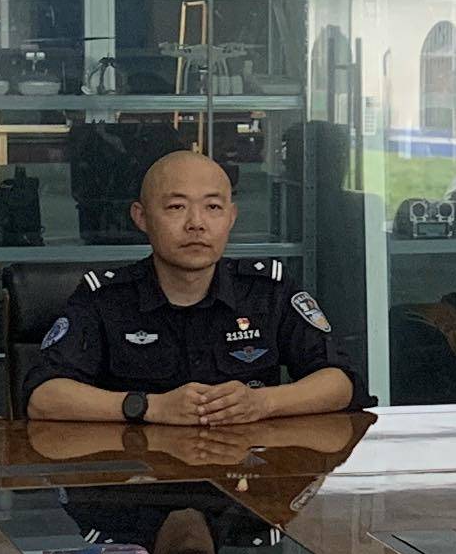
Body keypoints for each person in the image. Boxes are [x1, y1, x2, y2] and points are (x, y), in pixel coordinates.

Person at [27, 148, 356, 426]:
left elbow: (340, 381)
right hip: (140, 474)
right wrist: (150, 407)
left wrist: (263, 402)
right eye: (176, 207)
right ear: (141, 218)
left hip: (244, 473)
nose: (196, 223)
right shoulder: (104, 298)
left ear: (231, 217)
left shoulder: (268, 290)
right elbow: (42, 397)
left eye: (213, 207)